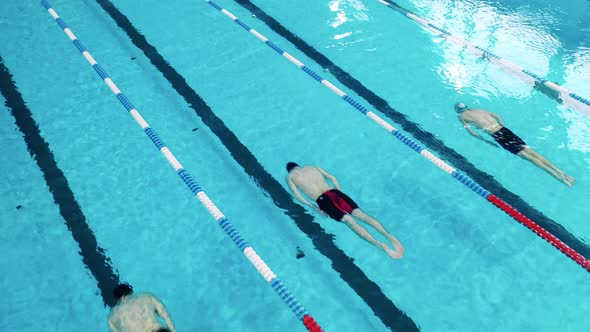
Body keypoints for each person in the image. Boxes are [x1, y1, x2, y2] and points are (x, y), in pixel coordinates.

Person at [285, 162, 404, 259]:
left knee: (350, 223)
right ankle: (388, 236)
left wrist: (313, 206)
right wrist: (339, 191)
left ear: (289, 170)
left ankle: (379, 244)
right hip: (335, 193)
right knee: (362, 215)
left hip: (322, 200)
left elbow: (297, 195)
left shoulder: (290, 176)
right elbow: (332, 177)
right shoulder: (312, 167)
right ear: (298, 165)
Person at [454, 102, 575, 186]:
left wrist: (486, 141)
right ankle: (563, 173)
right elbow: (497, 116)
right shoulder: (479, 109)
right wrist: (501, 124)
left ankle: (560, 178)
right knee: (533, 152)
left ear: (458, 111)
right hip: (504, 130)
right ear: (468, 107)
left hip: (498, 136)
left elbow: (472, 133)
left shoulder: (462, 116)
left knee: (529, 158)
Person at [108, 283, 176, 332]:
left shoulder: (114, 313)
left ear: (117, 299)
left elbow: (114, 329)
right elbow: (165, 314)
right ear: (130, 291)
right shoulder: (146, 296)